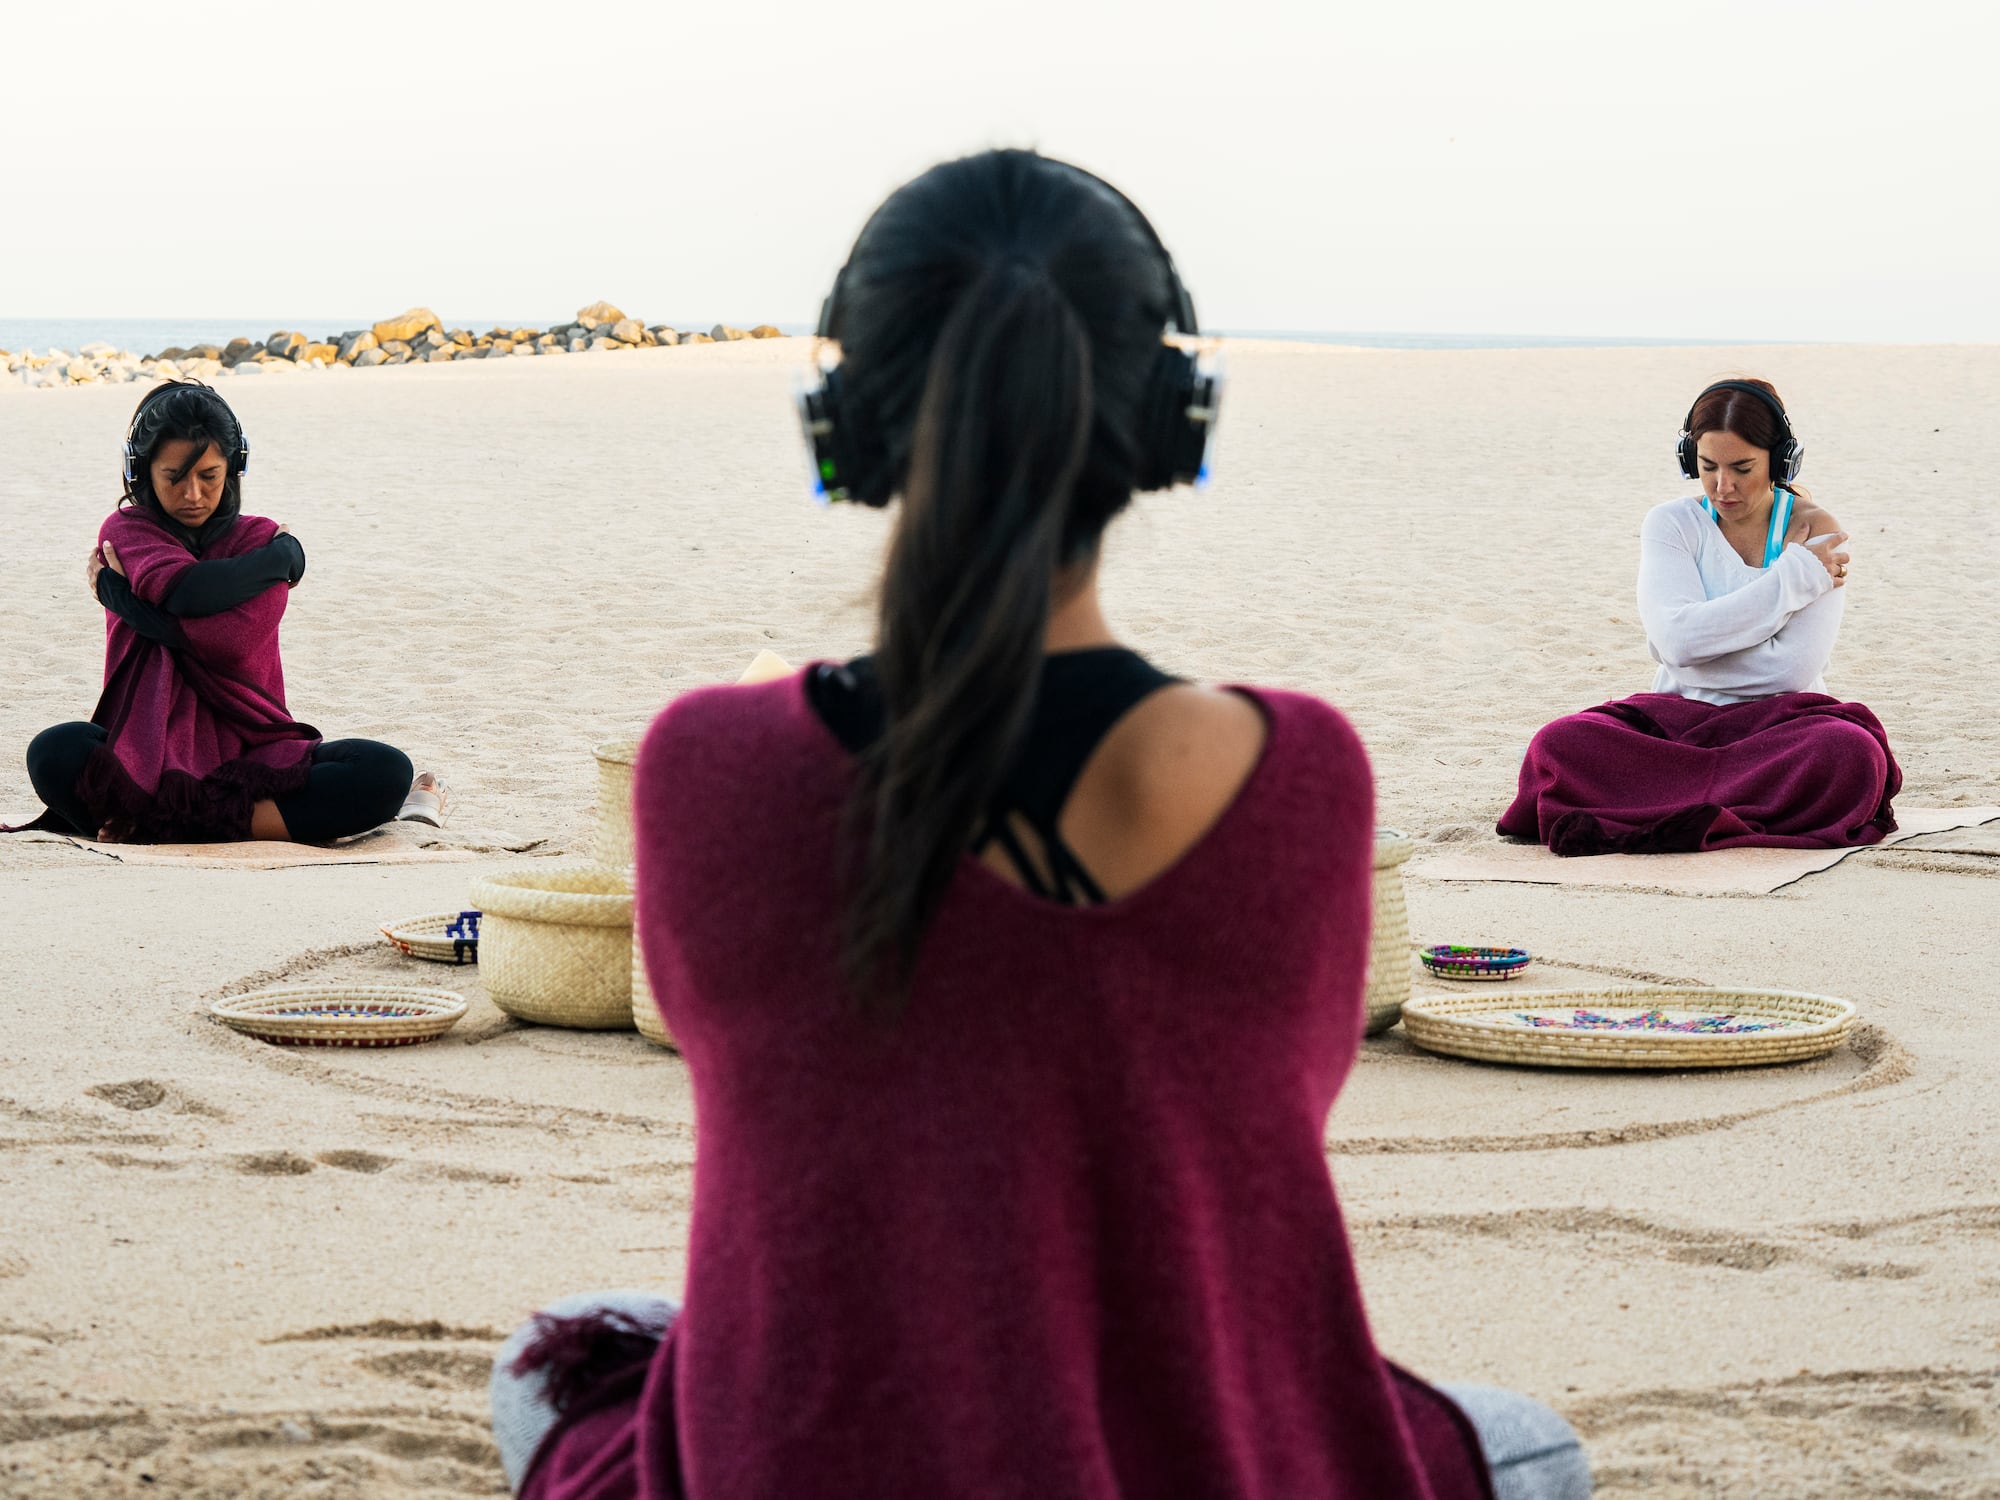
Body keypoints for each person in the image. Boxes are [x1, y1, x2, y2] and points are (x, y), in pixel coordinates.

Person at [489, 150, 1590, 1500]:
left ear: (846, 423)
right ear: (1169, 421)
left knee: (555, 1359)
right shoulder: (1303, 776)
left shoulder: (704, 766)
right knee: (1533, 1442)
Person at [8, 381, 429, 844]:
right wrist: (282, 560)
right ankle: (225, 823)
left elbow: (228, 643)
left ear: (233, 468)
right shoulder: (129, 530)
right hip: (145, 749)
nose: (193, 494)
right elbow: (188, 593)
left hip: (253, 746)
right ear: (142, 472)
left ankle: (157, 824)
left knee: (385, 771)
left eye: (208, 476)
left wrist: (120, 595)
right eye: (174, 477)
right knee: (54, 751)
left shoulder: (257, 538)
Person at [1499, 377, 1898, 855]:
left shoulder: (1815, 530)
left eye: (1742, 468)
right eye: (1708, 467)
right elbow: (1677, 645)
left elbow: (1791, 669)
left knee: (1849, 753)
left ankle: (1667, 805)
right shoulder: (1671, 524)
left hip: (1780, 728)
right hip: (1674, 725)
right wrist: (1793, 580)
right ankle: (1715, 805)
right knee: (1559, 742)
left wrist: (1700, 645)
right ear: (1690, 460)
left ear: (1780, 459)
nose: (1722, 486)